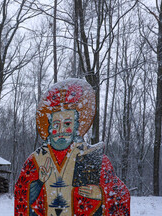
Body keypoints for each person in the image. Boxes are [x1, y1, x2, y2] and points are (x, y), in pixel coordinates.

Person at [14, 79, 130, 216]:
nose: (61, 130)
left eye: (67, 124)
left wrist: (100, 194)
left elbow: (120, 194)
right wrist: (39, 182)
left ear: (76, 127)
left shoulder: (93, 158)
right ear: (50, 128)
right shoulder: (35, 161)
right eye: (56, 125)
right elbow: (21, 194)